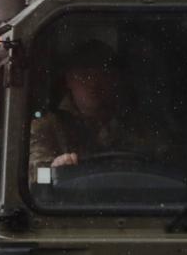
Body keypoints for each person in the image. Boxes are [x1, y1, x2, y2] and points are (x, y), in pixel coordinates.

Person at [29, 41, 165, 170]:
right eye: (84, 75)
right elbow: (34, 179)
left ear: (115, 79)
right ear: (69, 80)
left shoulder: (140, 126)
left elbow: (167, 166)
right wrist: (55, 170)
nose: (93, 84)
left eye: (103, 75)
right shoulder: (47, 128)